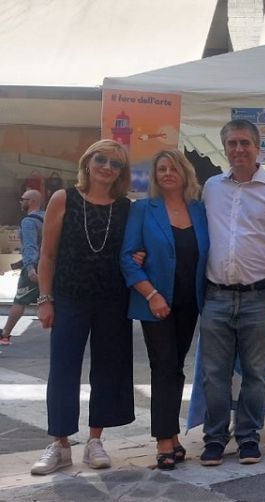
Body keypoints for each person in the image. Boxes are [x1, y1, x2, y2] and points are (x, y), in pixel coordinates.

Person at [198, 119, 265, 466]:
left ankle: (248, 437)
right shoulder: (211, 187)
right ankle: (214, 438)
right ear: (224, 148)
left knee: (255, 374)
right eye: (232, 143)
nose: (238, 149)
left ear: (258, 148)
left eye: (245, 143)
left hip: (260, 296)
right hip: (216, 296)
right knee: (214, 374)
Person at [30, 140, 134, 475]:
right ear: (88, 162)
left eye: (115, 163)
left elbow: (132, 250)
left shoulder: (125, 207)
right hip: (70, 296)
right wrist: (45, 299)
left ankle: (94, 441)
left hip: (112, 299)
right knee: (63, 369)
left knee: (107, 369)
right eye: (101, 159)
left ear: (121, 172)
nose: (107, 167)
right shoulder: (64, 198)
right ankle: (60, 444)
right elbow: (47, 255)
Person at [120, 150, 209, 470]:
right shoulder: (143, 209)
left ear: (185, 174)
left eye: (173, 168)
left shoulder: (199, 210)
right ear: (155, 176)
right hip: (155, 303)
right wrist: (152, 295)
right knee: (164, 366)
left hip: (190, 303)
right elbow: (129, 258)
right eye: (161, 169)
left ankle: (172, 435)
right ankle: (163, 440)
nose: (167, 173)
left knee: (176, 368)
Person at [1, 190, 45, 345]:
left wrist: (30, 267)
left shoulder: (28, 222)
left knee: (20, 301)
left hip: (35, 266)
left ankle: (5, 334)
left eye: (22, 199)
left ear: (31, 201)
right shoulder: (47, 217)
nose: (20, 202)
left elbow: (29, 246)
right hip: (50, 265)